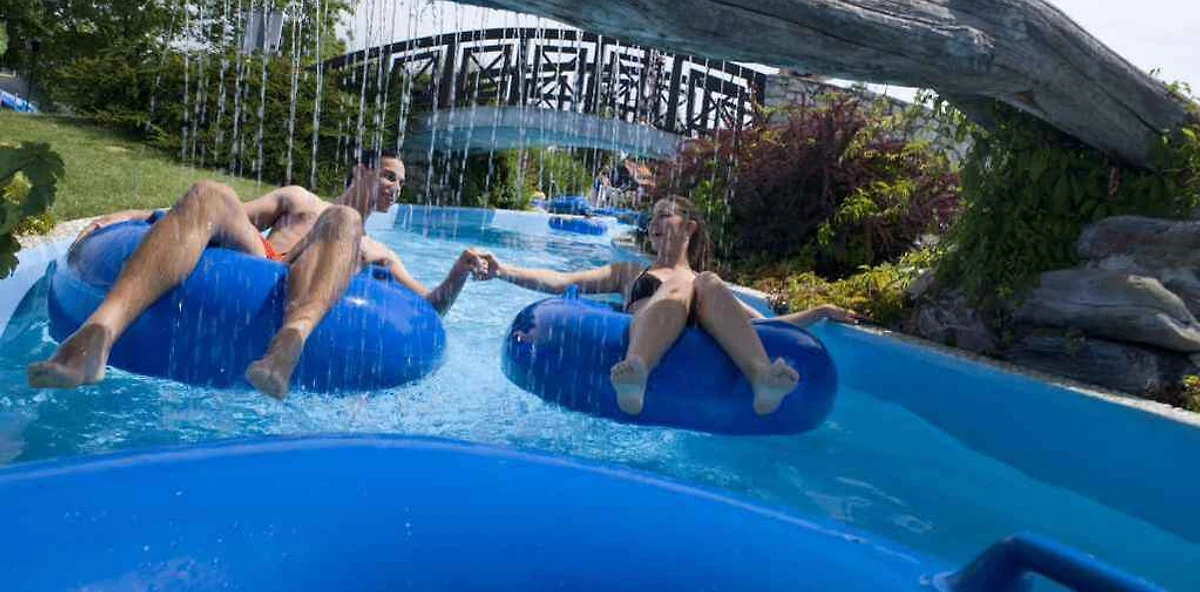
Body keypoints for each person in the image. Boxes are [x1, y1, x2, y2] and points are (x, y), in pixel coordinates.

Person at [27, 150, 485, 400]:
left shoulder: (378, 251)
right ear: (360, 169)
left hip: (313, 283)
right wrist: (132, 215)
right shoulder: (300, 199)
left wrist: (459, 274)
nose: (395, 188)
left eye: (400, 183)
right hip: (262, 259)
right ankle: (99, 335)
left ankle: (288, 343)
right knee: (210, 191)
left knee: (345, 221)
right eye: (387, 175)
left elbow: (427, 309)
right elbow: (211, 216)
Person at [474, 195, 861, 417]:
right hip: (645, 325)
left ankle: (761, 378)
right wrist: (503, 270)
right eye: (652, 218)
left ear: (689, 227)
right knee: (678, 287)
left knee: (706, 281)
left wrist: (819, 312)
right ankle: (638, 369)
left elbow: (764, 327)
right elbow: (562, 282)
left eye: (664, 215)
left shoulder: (704, 285)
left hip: (696, 325)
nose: (653, 223)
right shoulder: (630, 272)